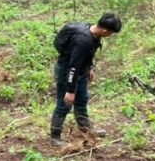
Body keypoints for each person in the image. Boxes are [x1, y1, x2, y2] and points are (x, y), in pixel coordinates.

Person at [50, 13, 123, 147]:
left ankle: (86, 130)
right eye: (111, 33)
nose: (110, 35)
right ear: (105, 31)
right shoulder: (83, 41)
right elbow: (73, 66)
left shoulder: (94, 33)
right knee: (64, 104)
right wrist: (70, 90)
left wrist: (89, 68)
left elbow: (86, 56)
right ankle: (55, 136)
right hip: (67, 72)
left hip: (81, 71)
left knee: (82, 100)